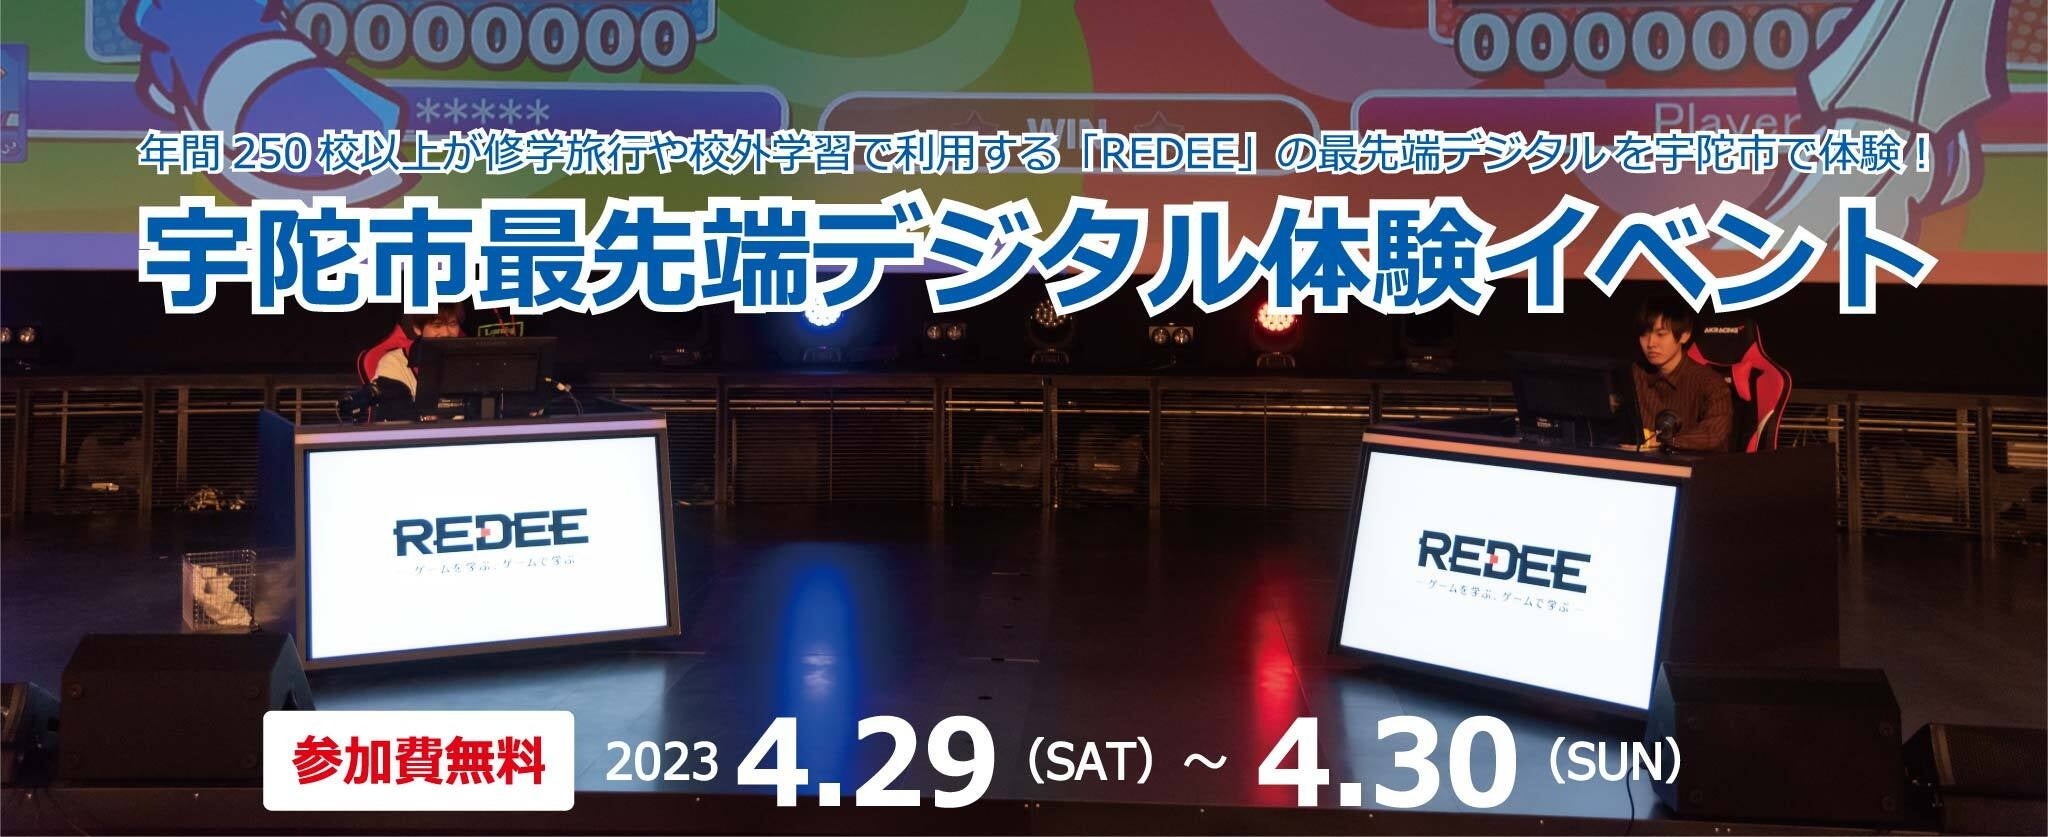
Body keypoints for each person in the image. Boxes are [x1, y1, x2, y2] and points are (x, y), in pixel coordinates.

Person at [1633, 293, 1731, 453]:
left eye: (1661, 334)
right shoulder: (1634, 376)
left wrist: (1662, 441)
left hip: (1693, 465)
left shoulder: (1710, 383)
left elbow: (1714, 434)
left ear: (1685, 335)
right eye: (1644, 334)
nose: (1651, 343)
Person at [358, 304, 463, 421]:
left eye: (452, 324)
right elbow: (397, 416)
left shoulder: (468, 360)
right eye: (437, 325)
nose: (446, 333)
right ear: (417, 329)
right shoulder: (394, 363)